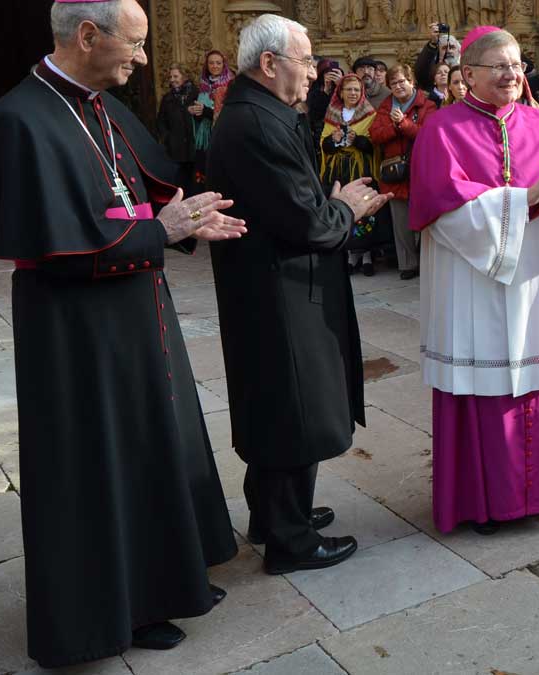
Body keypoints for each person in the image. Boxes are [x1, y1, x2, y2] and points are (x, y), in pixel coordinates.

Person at [0, 0, 249, 665]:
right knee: (96, 463)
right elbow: (56, 241)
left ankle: (159, 587)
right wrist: (163, 231)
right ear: (88, 35)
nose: (145, 58)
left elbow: (138, 190)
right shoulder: (21, 117)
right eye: (136, 42)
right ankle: (104, 616)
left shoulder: (96, 104)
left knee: (148, 445)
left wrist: (178, 221)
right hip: (77, 332)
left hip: (133, 307)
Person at [207, 13, 391, 574]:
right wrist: (347, 208)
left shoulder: (262, 112)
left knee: (285, 402)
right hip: (280, 291)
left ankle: (276, 515)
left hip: (280, 287)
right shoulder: (256, 124)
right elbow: (306, 222)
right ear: (269, 63)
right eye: (307, 60)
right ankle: (290, 541)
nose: (316, 72)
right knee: (291, 407)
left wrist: (327, 202)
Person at [409, 26, 539, 534]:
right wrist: (529, 196)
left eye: (516, 64)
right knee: (484, 380)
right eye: (498, 65)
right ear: (467, 74)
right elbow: (443, 210)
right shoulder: (441, 130)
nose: (512, 73)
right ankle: (483, 501)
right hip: (472, 286)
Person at [370, 64, 436, 280]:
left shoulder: (427, 105)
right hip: (394, 172)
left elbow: (428, 136)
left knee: (424, 219)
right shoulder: (385, 106)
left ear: (411, 82)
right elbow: (376, 135)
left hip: (420, 170)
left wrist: (404, 123)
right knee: (400, 222)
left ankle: (426, 261)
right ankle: (407, 264)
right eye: (393, 83)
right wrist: (394, 126)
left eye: (401, 81)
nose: (397, 86)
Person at [320, 74, 383, 276]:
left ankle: (365, 256)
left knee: (364, 208)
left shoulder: (370, 114)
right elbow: (324, 146)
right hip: (338, 170)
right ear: (341, 92)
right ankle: (349, 256)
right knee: (343, 207)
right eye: (349, 89)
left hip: (361, 169)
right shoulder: (331, 114)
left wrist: (358, 141)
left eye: (357, 89)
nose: (353, 93)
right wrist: (333, 139)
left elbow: (374, 145)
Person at [190, 49, 234, 191]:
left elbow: (229, 113)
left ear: (224, 65)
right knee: (202, 177)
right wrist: (194, 112)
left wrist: (206, 111)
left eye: (218, 63)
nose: (214, 66)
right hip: (203, 139)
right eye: (211, 63)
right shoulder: (202, 87)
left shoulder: (230, 86)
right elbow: (200, 115)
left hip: (221, 137)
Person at [156, 64, 199, 188]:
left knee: (196, 184)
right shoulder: (167, 98)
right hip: (175, 149)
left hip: (194, 147)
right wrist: (167, 138)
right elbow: (161, 121)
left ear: (185, 77)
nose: (172, 79)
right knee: (179, 184)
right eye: (170, 77)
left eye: (176, 76)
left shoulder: (196, 94)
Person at [415, 23, 460, 93]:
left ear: (458, 51)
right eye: (444, 48)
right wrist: (433, 43)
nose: (449, 50)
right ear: (438, 51)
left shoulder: (465, 67)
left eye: (452, 47)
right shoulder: (431, 68)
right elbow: (421, 72)